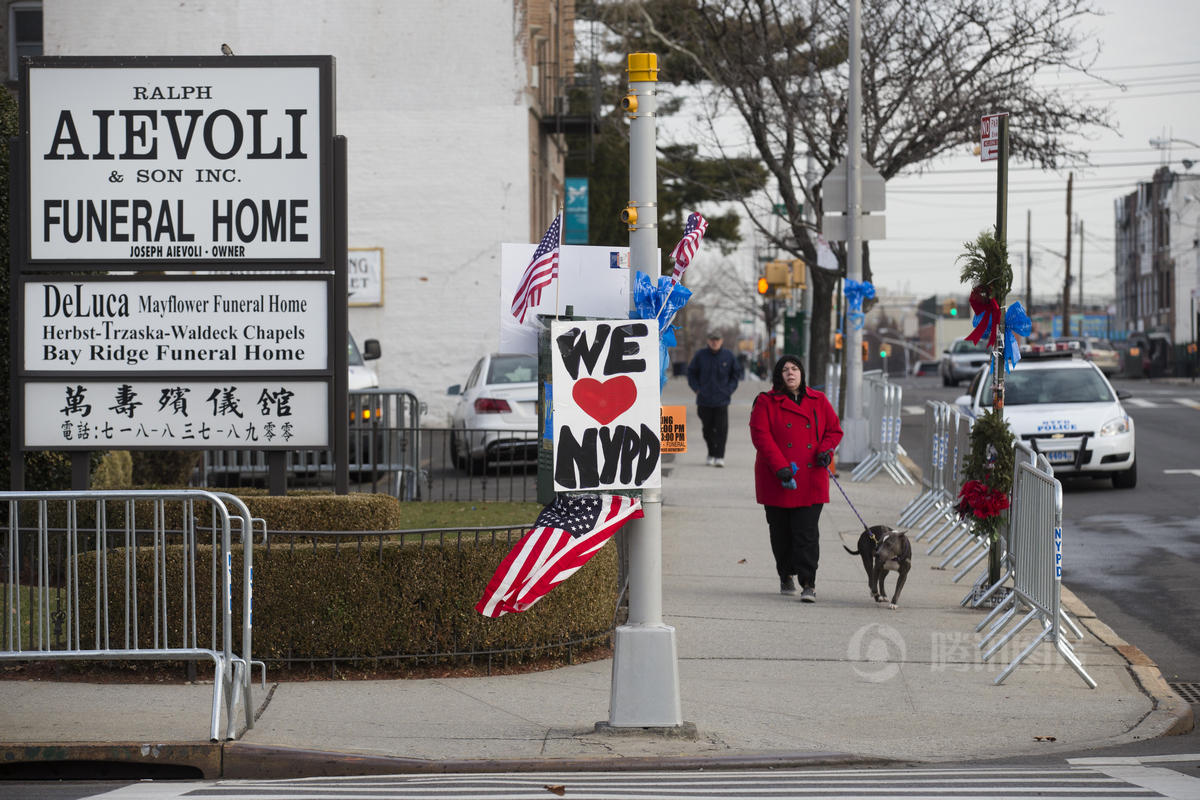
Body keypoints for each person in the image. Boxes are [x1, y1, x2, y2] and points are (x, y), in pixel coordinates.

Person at [749, 355, 843, 602]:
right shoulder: (765, 402)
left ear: (801, 373)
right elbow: (761, 436)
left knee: (807, 532)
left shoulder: (819, 400)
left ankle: (808, 582)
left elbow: (834, 430)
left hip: (811, 476)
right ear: (778, 375)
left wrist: (826, 450)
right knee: (781, 534)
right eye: (785, 369)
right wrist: (780, 466)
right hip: (776, 477)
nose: (790, 373)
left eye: (794, 368)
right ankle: (785, 573)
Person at [687, 332, 740, 467]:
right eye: (712, 340)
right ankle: (711, 453)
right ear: (708, 341)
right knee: (707, 429)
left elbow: (735, 375)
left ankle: (719, 456)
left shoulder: (728, 356)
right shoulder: (700, 355)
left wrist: (729, 390)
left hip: (722, 400)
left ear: (721, 341)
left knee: (721, 429)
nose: (714, 342)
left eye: (717, 340)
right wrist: (697, 389)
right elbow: (691, 373)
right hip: (704, 400)